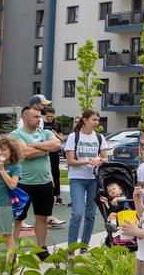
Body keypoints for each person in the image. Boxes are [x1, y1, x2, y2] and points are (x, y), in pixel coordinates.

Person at [10, 104, 64, 254]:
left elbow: (57, 145)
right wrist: (45, 148)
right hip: (23, 183)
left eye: (40, 116)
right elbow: (24, 152)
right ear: (24, 117)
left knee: (42, 217)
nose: (39, 119)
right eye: (35, 117)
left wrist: (35, 146)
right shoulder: (16, 135)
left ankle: (41, 249)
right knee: (18, 219)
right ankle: (12, 250)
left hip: (45, 183)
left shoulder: (45, 132)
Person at [64, 109, 108, 251]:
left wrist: (100, 160)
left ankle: (84, 246)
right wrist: (87, 162)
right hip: (77, 178)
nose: (96, 122)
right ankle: (71, 248)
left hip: (94, 179)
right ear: (84, 120)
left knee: (90, 215)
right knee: (77, 213)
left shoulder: (100, 137)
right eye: (93, 120)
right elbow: (70, 161)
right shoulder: (73, 137)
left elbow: (105, 158)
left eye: (97, 120)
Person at [42, 106, 65, 205]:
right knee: (44, 173)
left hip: (54, 152)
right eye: (48, 116)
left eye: (51, 116)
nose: (49, 118)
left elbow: (61, 139)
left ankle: (58, 196)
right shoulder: (41, 124)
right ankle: (44, 195)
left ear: (54, 115)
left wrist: (54, 133)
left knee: (55, 173)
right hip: (43, 151)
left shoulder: (57, 124)